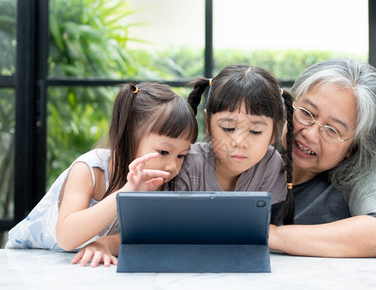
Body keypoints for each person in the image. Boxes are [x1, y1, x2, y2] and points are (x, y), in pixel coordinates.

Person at [6, 82, 198, 266]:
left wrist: (104, 244)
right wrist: (124, 193)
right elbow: (66, 237)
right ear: (128, 137)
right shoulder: (91, 169)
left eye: (181, 155)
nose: (172, 166)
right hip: (30, 259)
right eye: (164, 152)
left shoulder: (159, 181)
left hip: (79, 266)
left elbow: (146, 232)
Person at [269, 58, 376, 257]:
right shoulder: (258, 142)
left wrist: (273, 236)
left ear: (353, 146)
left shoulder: (359, 173)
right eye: (306, 113)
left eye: (332, 130)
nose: (310, 134)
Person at [164, 63, 294, 205]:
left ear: (274, 131)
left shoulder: (270, 165)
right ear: (208, 124)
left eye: (255, 131)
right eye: (228, 128)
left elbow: (267, 225)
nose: (239, 142)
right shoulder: (186, 163)